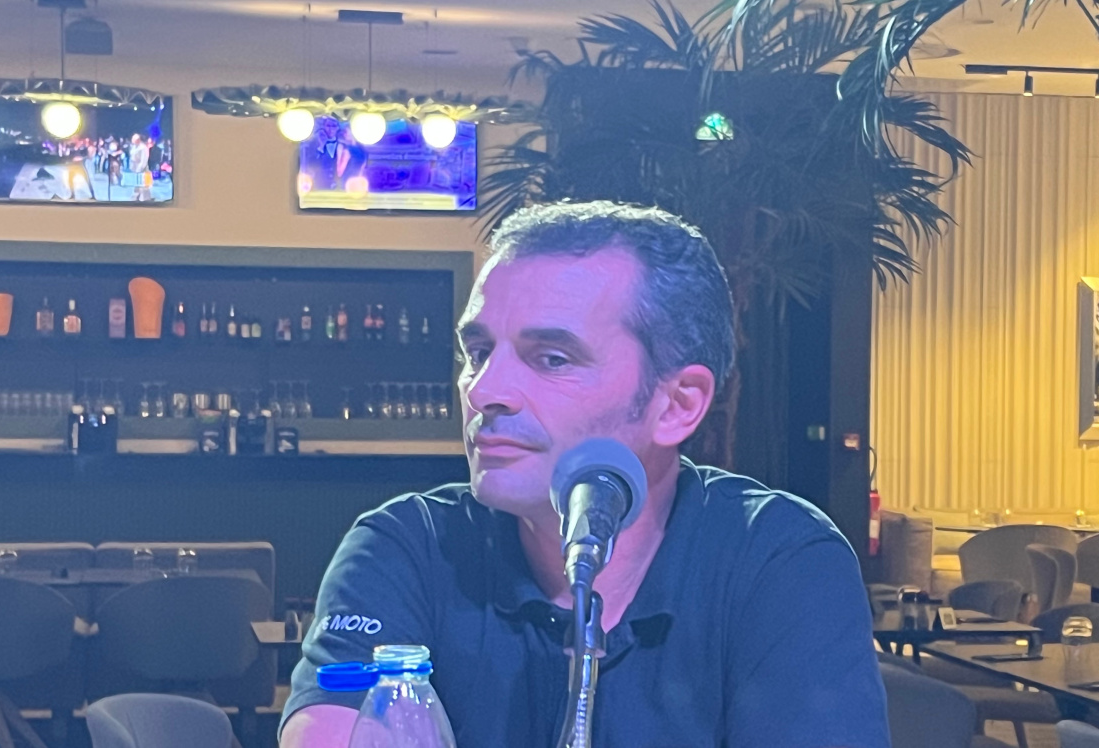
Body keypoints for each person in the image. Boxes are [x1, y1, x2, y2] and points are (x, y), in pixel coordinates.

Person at [281, 201, 889, 748]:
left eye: (552, 359)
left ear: (677, 405)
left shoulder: (778, 558)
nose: (485, 390)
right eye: (479, 353)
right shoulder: (405, 546)